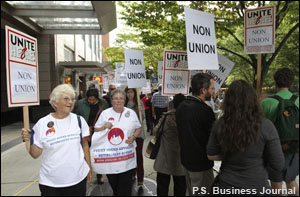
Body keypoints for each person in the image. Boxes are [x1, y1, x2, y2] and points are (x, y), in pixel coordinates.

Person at [207, 80, 285, 195]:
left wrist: (231, 153)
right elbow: (278, 163)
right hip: (257, 187)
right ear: (253, 100)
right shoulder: (266, 125)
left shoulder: (220, 124)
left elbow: (211, 155)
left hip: (225, 187)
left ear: (228, 101)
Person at [21, 84, 92, 196]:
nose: (70, 102)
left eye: (72, 99)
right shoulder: (42, 124)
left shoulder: (79, 120)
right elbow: (35, 154)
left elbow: (85, 145)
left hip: (78, 180)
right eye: (66, 99)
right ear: (55, 102)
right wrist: (28, 140)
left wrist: (89, 167)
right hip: (51, 184)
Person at [92, 89, 142, 196]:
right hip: (111, 158)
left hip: (126, 157)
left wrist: (133, 137)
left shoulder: (131, 113)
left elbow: (138, 128)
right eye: (115, 98)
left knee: (125, 188)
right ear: (111, 100)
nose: (118, 101)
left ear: (124, 100)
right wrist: (104, 126)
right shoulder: (105, 113)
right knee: (115, 185)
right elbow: (95, 130)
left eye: (121, 98)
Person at [175, 73, 216, 196]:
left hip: (187, 161)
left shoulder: (181, 106)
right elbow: (213, 138)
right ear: (203, 90)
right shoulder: (205, 110)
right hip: (201, 164)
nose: (214, 91)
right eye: (212, 88)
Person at [261, 67, 299, 196]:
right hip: (294, 148)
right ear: (291, 82)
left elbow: (261, 127)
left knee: (275, 182)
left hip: (273, 148)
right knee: (291, 180)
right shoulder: (298, 101)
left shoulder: (266, 102)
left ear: (275, 81)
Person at [154, 93, 187, 196]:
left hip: (164, 158)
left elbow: (155, 132)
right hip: (181, 159)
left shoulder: (166, 117)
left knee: (162, 188)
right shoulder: (188, 117)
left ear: (173, 104)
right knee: (180, 188)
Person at [74, 88, 108, 185]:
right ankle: (85, 172)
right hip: (85, 132)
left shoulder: (104, 103)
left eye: (93, 100)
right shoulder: (80, 104)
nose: (91, 101)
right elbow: (77, 117)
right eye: (89, 99)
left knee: (98, 153)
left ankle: (99, 174)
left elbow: (107, 117)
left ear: (97, 98)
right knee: (85, 152)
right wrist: (83, 129)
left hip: (99, 132)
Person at [125, 87, 146, 189]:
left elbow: (143, 118)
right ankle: (132, 174)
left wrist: (141, 110)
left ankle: (140, 178)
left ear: (135, 93)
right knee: (129, 156)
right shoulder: (124, 104)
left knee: (138, 156)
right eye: (128, 92)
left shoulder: (139, 103)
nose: (129, 94)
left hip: (138, 134)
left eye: (131, 92)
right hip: (127, 135)